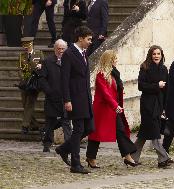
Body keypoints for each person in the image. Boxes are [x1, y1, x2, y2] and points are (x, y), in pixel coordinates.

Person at [86, 50, 137, 168]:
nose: (116, 61)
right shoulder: (101, 74)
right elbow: (105, 93)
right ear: (109, 60)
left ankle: (128, 156)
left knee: (120, 131)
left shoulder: (114, 74)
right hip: (103, 109)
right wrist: (115, 105)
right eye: (114, 59)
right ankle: (90, 157)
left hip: (113, 109)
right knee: (96, 135)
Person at [55, 26, 94, 174]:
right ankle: (75, 164)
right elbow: (64, 80)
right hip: (75, 99)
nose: (90, 42)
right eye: (88, 39)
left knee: (89, 128)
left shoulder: (84, 53)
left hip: (86, 98)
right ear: (80, 38)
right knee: (78, 130)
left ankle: (64, 149)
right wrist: (67, 100)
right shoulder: (69, 54)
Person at [131, 45, 174, 168]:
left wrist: (165, 108)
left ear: (162, 55)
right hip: (147, 105)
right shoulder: (145, 67)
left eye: (158, 54)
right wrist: (157, 85)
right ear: (151, 55)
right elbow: (141, 86)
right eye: (154, 54)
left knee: (144, 134)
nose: (156, 56)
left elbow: (166, 90)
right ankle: (163, 159)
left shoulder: (164, 69)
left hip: (159, 105)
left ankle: (132, 157)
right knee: (155, 133)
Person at [38, 39, 72, 153]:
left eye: (63, 49)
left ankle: (69, 145)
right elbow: (42, 79)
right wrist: (49, 91)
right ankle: (47, 144)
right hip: (52, 97)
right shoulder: (47, 61)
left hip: (65, 97)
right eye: (59, 49)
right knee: (50, 121)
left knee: (66, 121)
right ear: (55, 49)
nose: (61, 51)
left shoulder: (69, 61)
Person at [18, 37, 44, 134]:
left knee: (30, 104)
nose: (26, 48)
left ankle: (25, 126)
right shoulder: (21, 56)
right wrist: (23, 78)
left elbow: (44, 66)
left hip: (34, 83)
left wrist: (40, 66)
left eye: (28, 45)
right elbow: (20, 69)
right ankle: (35, 125)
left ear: (32, 44)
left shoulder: (39, 53)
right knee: (25, 105)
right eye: (24, 46)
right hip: (24, 83)